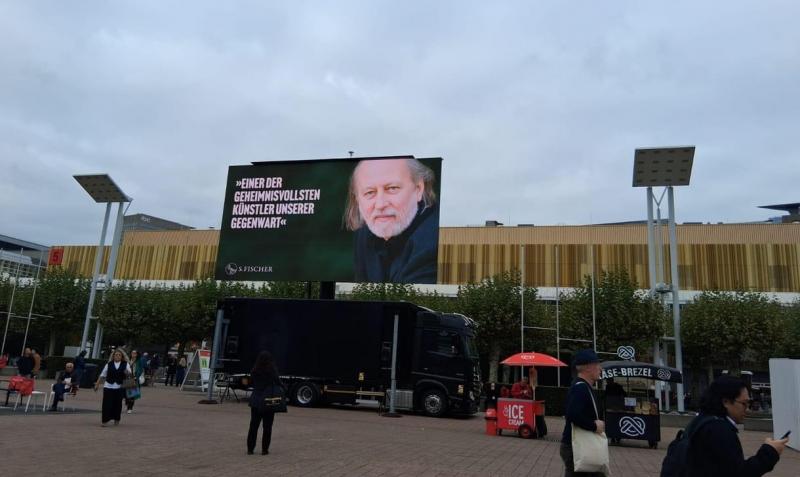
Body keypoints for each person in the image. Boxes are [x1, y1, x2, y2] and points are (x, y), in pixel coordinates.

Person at [344, 157, 439, 284]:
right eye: (370, 192)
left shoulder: (431, 243)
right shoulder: (364, 234)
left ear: (418, 189)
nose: (380, 204)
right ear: (357, 199)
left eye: (392, 188)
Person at [682, 375, 789, 476]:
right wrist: (770, 451)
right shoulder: (719, 430)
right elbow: (739, 473)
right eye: (744, 403)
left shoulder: (701, 421)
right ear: (726, 402)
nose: (747, 409)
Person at [561, 349, 606, 477]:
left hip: (578, 445)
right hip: (577, 447)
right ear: (588, 367)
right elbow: (572, 414)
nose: (600, 368)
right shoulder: (581, 388)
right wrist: (594, 425)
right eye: (597, 365)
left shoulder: (583, 386)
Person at [247, 350, 283, 455]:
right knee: (267, 426)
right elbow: (278, 382)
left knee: (253, 425)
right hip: (268, 400)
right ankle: (264, 449)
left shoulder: (254, 370)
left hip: (256, 399)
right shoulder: (272, 371)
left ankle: (250, 449)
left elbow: (252, 383)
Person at [94, 349, 132, 427]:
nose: (117, 356)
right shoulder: (109, 364)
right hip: (108, 386)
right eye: (116, 355)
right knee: (106, 404)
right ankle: (104, 421)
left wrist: (126, 373)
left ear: (122, 357)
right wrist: (97, 384)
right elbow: (102, 375)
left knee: (117, 404)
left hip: (119, 387)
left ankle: (116, 419)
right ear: (113, 356)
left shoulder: (125, 364)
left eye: (119, 355)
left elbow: (129, 376)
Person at [125, 350, 144, 414]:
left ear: (137, 354)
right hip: (127, 378)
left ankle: (130, 408)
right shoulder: (128, 360)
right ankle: (128, 404)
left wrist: (137, 375)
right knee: (127, 394)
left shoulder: (139, 361)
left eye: (135, 353)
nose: (133, 354)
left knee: (132, 394)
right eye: (132, 353)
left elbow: (141, 369)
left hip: (134, 379)